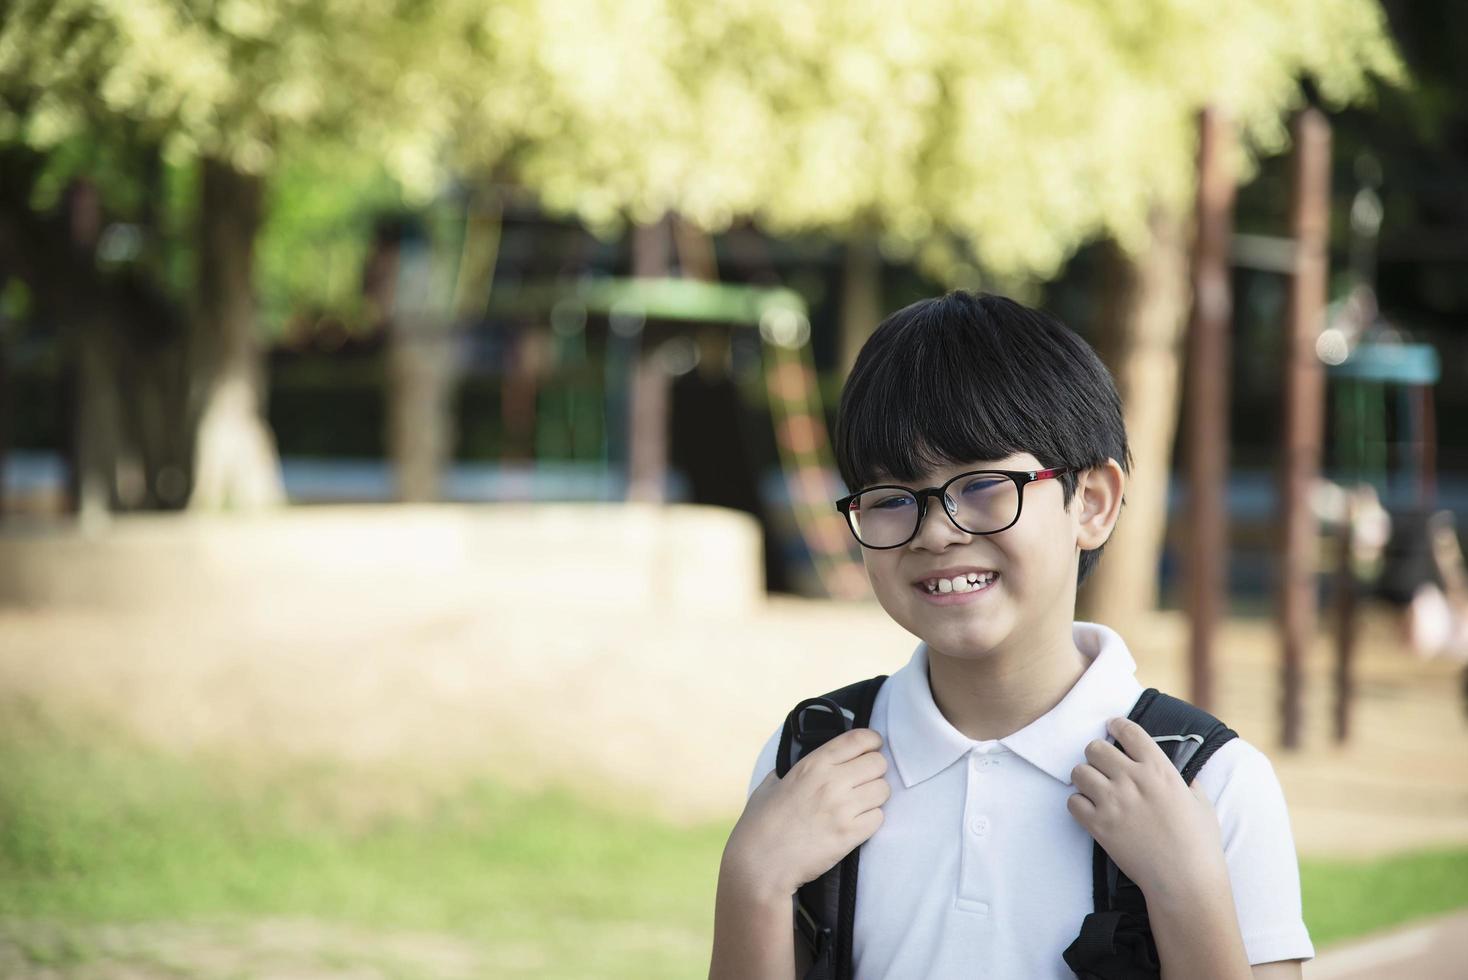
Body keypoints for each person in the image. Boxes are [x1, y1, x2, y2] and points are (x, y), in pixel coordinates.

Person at [708, 292, 1313, 979]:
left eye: (984, 485)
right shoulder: (812, 760)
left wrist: (1189, 889)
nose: (937, 531)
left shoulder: (1210, 783)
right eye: (890, 498)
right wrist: (753, 880)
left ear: (1091, 503)